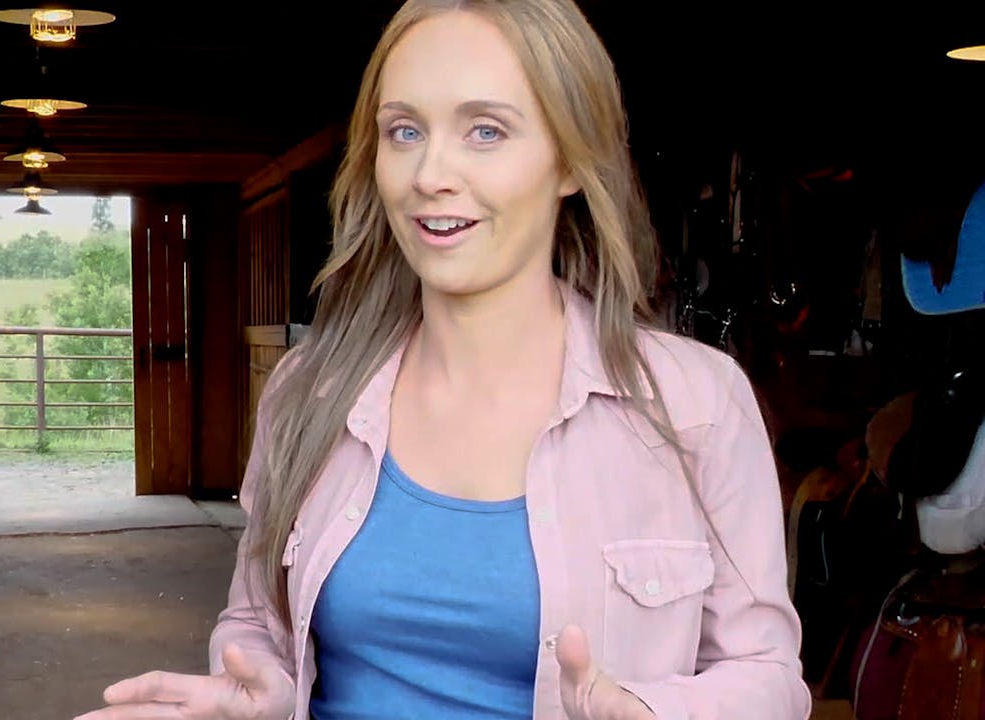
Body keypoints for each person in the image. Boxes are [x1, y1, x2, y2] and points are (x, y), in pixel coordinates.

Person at [75, 0, 811, 718]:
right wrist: (265, 691)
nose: (430, 174)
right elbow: (254, 622)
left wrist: (651, 711)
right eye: (404, 131)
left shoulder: (694, 403)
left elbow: (768, 674)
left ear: (570, 160)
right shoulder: (309, 391)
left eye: (486, 131)